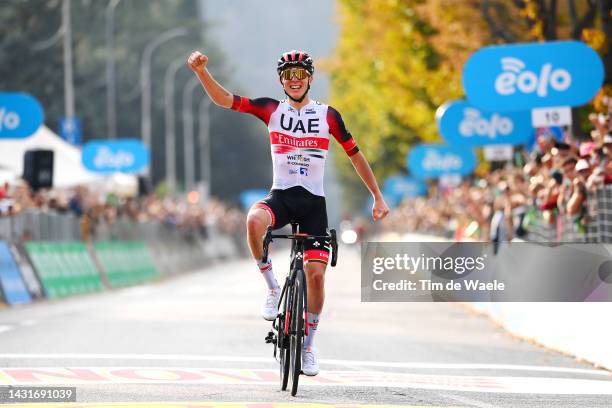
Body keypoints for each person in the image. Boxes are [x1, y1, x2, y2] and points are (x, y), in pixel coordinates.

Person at [187, 49, 389, 376]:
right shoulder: (270, 109)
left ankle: (308, 347)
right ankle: (271, 287)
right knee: (254, 219)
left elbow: (355, 155)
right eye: (288, 76)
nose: (294, 81)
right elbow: (225, 99)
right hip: (281, 196)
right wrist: (201, 73)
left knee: (317, 276)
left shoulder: (328, 116)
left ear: (310, 78)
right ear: (282, 80)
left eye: (300, 75)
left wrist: (377, 197)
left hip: (313, 204)